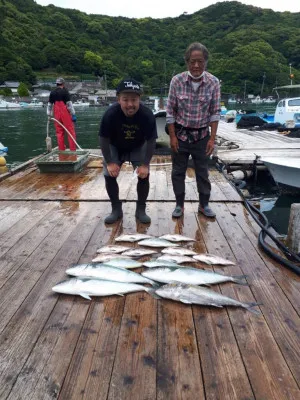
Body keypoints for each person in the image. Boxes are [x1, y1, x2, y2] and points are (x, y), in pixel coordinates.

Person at [166, 42, 221, 218]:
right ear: (187, 62)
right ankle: (179, 205)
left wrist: (212, 138)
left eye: (200, 61)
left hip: (202, 135)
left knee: (203, 172)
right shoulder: (177, 80)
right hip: (181, 135)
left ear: (205, 61)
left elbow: (215, 112)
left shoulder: (213, 82)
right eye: (192, 61)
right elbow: (170, 111)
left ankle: (204, 205)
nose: (196, 65)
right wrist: (173, 137)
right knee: (178, 171)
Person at [99, 78, 157, 224]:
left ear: (139, 99)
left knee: (144, 175)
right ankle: (116, 209)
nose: (130, 104)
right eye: (125, 100)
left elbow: (151, 141)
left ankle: (141, 209)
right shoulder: (110, 114)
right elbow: (103, 139)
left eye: (134, 99)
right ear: (118, 99)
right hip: (115, 146)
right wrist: (110, 162)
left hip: (138, 146)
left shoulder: (147, 114)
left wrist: (144, 165)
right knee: (108, 174)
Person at [47, 77, 77, 151]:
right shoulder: (65, 91)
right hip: (65, 113)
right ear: (63, 84)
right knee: (70, 131)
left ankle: (61, 150)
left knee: (59, 132)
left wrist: (49, 114)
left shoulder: (52, 92)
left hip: (56, 113)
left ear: (56, 84)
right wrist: (73, 114)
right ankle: (73, 150)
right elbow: (69, 105)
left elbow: (49, 105)